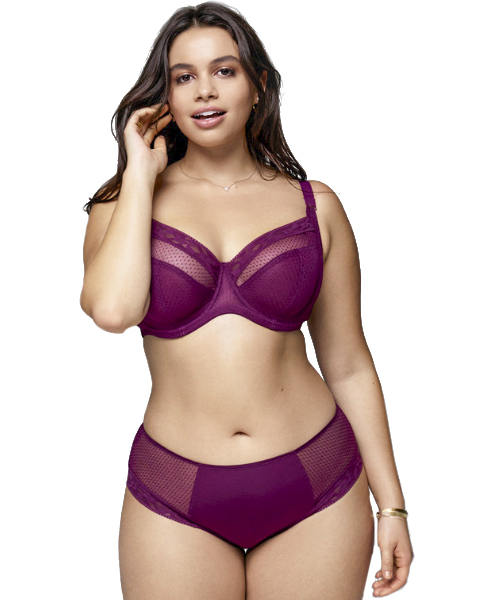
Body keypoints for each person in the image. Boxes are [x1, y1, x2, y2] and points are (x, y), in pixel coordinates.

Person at [80, 2, 413, 598]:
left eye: (224, 71)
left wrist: (391, 505)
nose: (204, 91)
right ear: (165, 96)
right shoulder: (122, 205)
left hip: (316, 481)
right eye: (184, 76)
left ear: (257, 86)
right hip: (175, 489)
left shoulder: (316, 205)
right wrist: (140, 174)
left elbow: (347, 363)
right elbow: (113, 311)